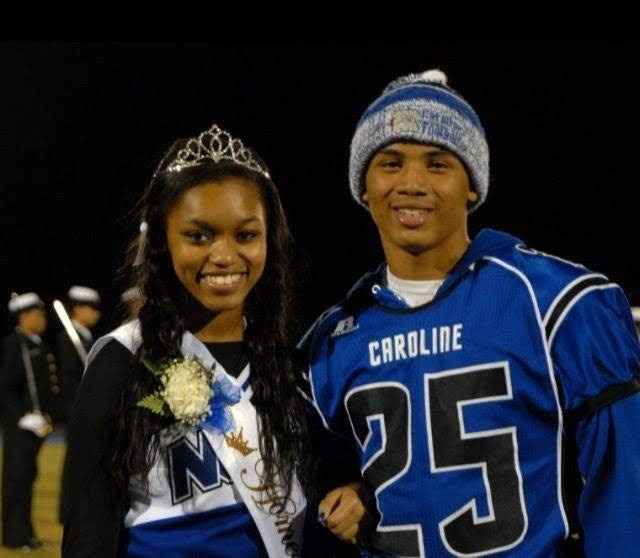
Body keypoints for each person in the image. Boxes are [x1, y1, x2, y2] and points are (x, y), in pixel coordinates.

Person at [300, 70, 640, 557]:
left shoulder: (557, 303)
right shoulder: (331, 340)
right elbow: (313, 486)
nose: (412, 183)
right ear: (364, 187)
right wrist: (346, 490)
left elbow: (624, 485)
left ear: (472, 187)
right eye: (390, 163)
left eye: (438, 164)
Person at [62, 124, 312, 557]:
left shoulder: (287, 362)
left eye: (246, 235)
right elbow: (89, 524)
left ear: (270, 240)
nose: (224, 255)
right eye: (199, 235)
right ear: (161, 241)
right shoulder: (123, 359)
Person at [0, 292, 53, 551]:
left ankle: (26, 533)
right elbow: (6, 388)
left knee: (28, 481)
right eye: (37, 314)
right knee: (16, 482)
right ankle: (13, 536)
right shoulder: (14, 344)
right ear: (24, 316)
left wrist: (45, 416)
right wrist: (22, 418)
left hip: (37, 426)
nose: (42, 318)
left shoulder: (36, 343)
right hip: (19, 429)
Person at [55, 285, 101, 424]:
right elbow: (69, 377)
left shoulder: (87, 337)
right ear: (77, 308)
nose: (97, 313)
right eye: (92, 308)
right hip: (78, 409)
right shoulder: (67, 338)